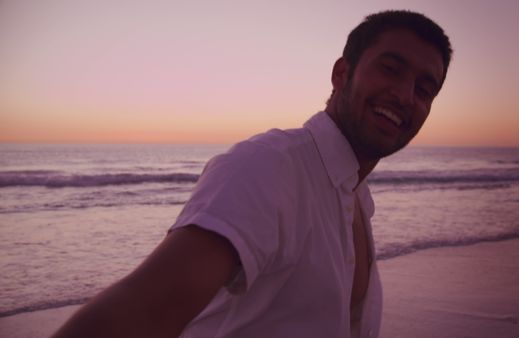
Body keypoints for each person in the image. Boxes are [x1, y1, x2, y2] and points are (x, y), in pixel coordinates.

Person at [52, 9, 452, 338]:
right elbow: (146, 311)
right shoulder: (269, 168)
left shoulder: (356, 197)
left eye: (423, 88)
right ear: (341, 74)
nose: (404, 95)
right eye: (391, 69)